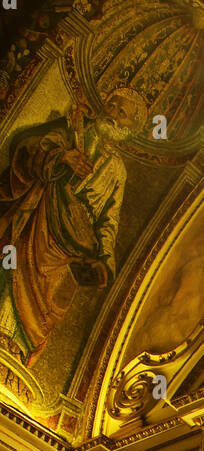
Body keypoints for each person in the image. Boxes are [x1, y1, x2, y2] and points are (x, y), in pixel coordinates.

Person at [0, 87, 147, 364]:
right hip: (39, 221)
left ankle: (15, 353)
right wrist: (61, 157)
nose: (112, 113)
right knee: (12, 274)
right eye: (111, 104)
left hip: (69, 247)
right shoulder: (73, 131)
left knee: (45, 306)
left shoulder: (117, 170)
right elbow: (30, 148)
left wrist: (105, 260)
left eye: (122, 113)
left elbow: (109, 218)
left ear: (131, 128)